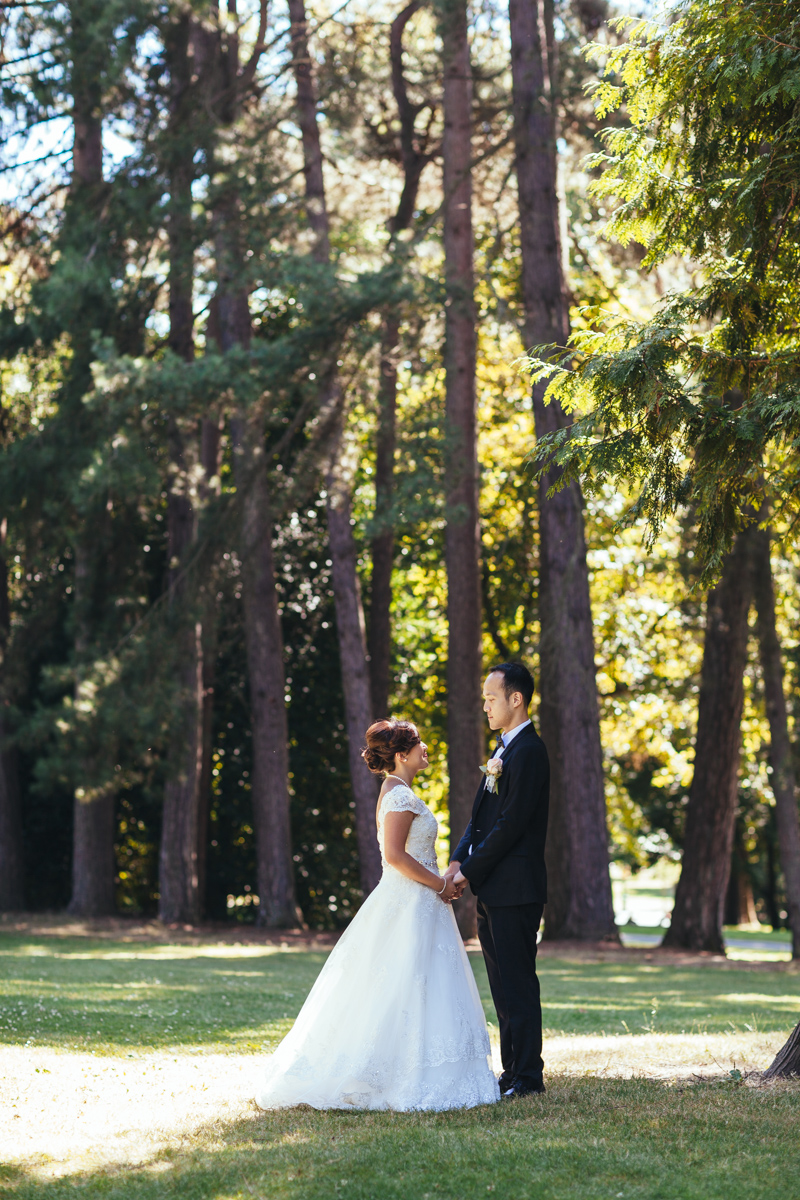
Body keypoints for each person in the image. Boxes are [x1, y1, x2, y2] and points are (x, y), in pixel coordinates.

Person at [255, 719, 499, 1112]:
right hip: (410, 900)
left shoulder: (399, 790)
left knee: (419, 984)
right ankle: (391, 1074)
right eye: (418, 744)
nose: (425, 749)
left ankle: (422, 1067)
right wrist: (440, 885)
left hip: (420, 901)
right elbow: (396, 857)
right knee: (403, 981)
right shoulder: (399, 796)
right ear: (402, 755)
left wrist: (446, 877)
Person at [447, 662, 550, 1098]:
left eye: (492, 698)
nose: (485, 706)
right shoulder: (504, 752)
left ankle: (528, 1077)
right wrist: (456, 861)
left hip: (516, 890)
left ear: (516, 699)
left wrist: (467, 872)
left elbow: (510, 826)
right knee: (502, 989)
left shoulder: (529, 752)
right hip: (495, 890)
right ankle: (511, 1074)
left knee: (518, 985)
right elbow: (480, 819)